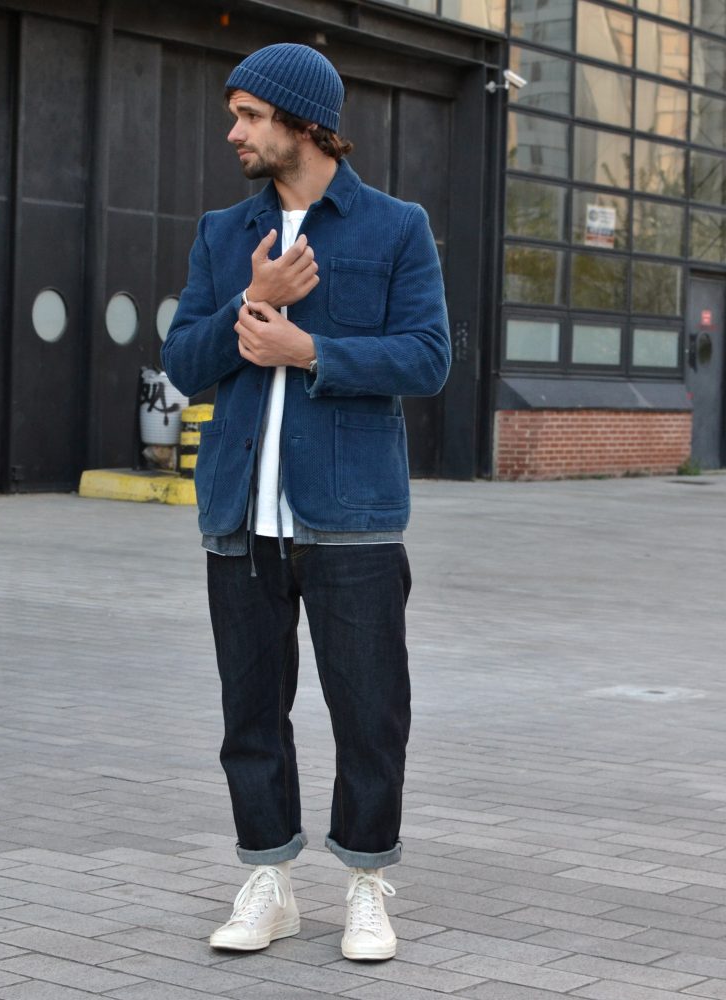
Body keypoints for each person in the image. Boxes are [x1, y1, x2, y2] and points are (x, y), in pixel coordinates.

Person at [161, 42, 450, 962]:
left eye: (250, 116)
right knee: (250, 714)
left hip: (352, 517)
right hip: (240, 517)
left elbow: (429, 357)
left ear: (304, 123)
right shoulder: (223, 233)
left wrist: (311, 351)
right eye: (234, 116)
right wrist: (253, 298)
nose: (235, 133)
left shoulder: (395, 228)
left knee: (370, 714)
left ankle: (365, 883)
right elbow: (183, 362)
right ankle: (269, 882)